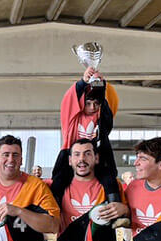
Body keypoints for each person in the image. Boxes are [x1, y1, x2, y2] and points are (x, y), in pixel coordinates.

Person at [53, 67, 128, 228]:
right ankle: (52, 214)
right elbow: (69, 100)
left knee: (110, 181)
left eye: (96, 103)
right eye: (88, 103)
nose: (93, 107)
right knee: (58, 183)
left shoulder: (101, 118)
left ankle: (116, 217)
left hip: (99, 155)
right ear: (81, 103)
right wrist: (84, 82)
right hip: (71, 155)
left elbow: (110, 101)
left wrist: (101, 83)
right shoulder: (72, 118)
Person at [120, 171, 135, 241]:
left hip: (137, 216)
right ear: (125, 179)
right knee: (127, 237)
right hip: (127, 217)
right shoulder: (123, 189)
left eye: (133, 176)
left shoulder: (138, 188)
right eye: (130, 177)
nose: (133, 179)